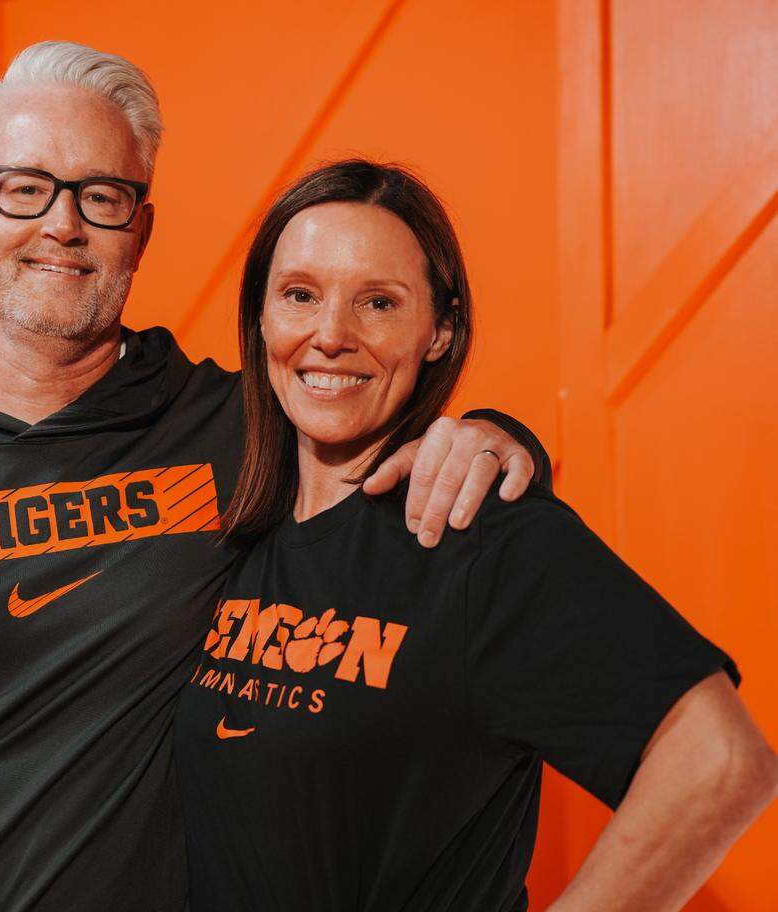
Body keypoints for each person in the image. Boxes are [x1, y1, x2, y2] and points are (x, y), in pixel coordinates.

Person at [0, 44, 549, 911]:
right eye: (24, 188)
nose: (62, 226)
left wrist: (498, 436)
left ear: (139, 229)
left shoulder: (241, 427)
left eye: (101, 196)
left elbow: (392, 423)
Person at [173, 159, 778, 911]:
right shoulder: (223, 520)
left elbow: (720, 763)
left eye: (379, 303)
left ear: (439, 330)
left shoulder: (474, 531)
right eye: (300, 295)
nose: (330, 335)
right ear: (261, 317)